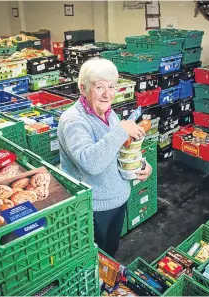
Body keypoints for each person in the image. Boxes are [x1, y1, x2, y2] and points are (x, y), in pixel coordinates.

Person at [57, 58, 152, 257]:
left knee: (110, 254)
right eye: (99, 87)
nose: (107, 94)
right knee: (94, 260)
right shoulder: (74, 120)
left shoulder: (109, 114)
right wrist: (120, 132)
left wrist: (142, 165)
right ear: (83, 88)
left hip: (117, 199)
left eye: (111, 87)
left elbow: (120, 151)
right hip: (94, 208)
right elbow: (89, 162)